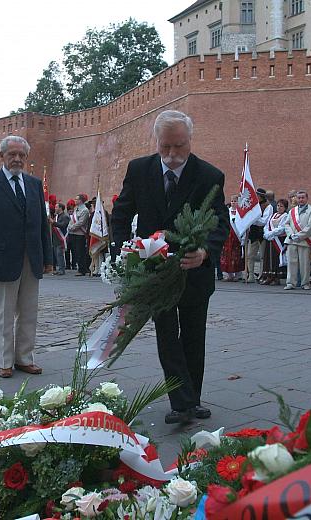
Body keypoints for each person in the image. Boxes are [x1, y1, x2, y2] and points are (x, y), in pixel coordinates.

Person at [111, 109, 228, 424]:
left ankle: (193, 398)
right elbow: (121, 214)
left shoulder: (209, 175)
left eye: (179, 146)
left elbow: (220, 223)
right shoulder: (139, 170)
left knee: (193, 336)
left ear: (190, 140)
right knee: (167, 334)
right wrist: (122, 250)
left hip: (194, 270)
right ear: (156, 141)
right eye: (166, 147)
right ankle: (181, 402)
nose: (173, 155)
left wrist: (205, 252)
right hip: (155, 272)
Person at [0, 135, 52, 379]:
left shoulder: (34, 184)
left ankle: (25, 358)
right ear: (2, 156)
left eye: (21, 155)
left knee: (29, 312)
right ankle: (5, 361)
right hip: (2, 260)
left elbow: (41, 225)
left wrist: (48, 258)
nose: (17, 159)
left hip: (32, 258)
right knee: (4, 313)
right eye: (12, 154)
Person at [283, 190, 311, 290]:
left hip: (304, 241)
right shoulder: (292, 211)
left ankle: (305, 283)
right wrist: (291, 235)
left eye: (303, 197)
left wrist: (299, 236)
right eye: (299, 198)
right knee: (291, 263)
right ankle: (290, 283)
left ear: (307, 198)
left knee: (305, 264)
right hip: (292, 241)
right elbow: (286, 224)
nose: (301, 199)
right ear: (296, 199)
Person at [244, 187, 273, 282]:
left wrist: (252, 219)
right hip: (253, 233)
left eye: (257, 195)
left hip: (262, 233)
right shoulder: (252, 205)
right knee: (250, 255)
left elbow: (264, 221)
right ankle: (251, 275)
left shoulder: (268, 206)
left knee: (262, 256)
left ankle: (261, 275)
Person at [261, 198, 289, 285]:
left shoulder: (285, 216)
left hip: (278, 240)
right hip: (270, 240)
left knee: (276, 258)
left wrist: (271, 233)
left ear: (285, 208)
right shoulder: (273, 215)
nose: (279, 207)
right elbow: (266, 225)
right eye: (278, 205)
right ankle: (269, 276)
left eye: (281, 206)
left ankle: (276, 278)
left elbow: (282, 228)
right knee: (268, 257)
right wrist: (266, 233)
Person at [220, 198, 244, 281]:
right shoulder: (228, 211)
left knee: (236, 255)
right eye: (232, 201)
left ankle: (238, 274)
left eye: (235, 201)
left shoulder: (240, 212)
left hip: (237, 236)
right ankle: (228, 275)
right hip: (228, 235)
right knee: (227, 255)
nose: (233, 203)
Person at [67, 193, 91, 276]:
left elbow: (81, 222)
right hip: (73, 233)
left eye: (76, 199)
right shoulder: (76, 209)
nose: (75, 200)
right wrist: (69, 227)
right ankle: (79, 267)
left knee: (80, 252)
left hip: (80, 234)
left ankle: (82, 269)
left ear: (81, 200)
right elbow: (71, 220)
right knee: (76, 252)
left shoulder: (85, 210)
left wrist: (72, 227)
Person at [52, 202, 69, 275]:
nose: (55, 208)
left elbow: (63, 225)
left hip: (61, 238)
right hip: (56, 238)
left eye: (56, 207)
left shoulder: (65, 216)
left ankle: (62, 270)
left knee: (59, 254)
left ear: (60, 208)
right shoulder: (57, 216)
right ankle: (59, 268)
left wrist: (53, 223)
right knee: (56, 254)